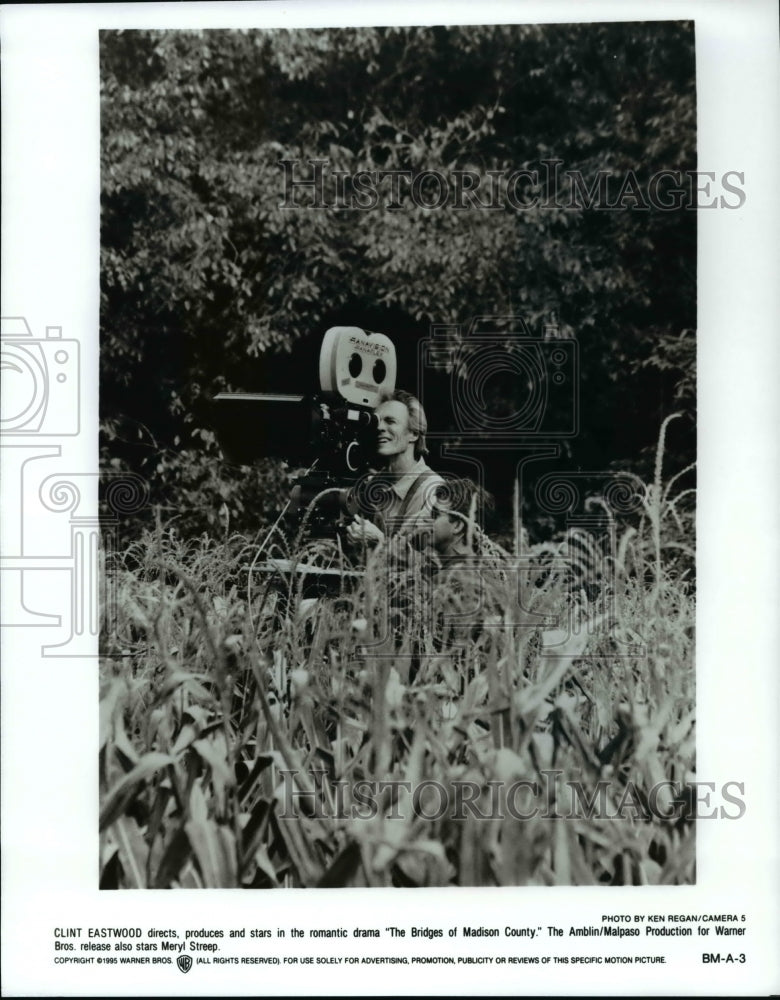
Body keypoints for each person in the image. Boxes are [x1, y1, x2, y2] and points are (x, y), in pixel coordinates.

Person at [344, 389, 444, 548]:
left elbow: (431, 564)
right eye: (377, 421)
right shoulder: (371, 485)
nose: (379, 428)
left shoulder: (432, 491)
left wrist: (380, 542)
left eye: (390, 421)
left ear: (414, 434)